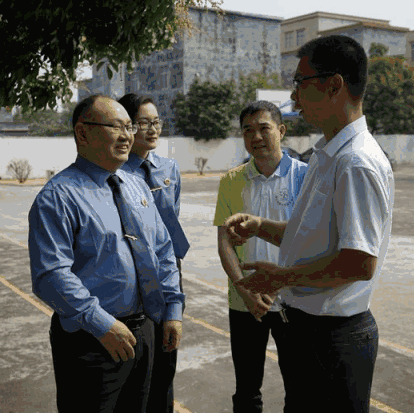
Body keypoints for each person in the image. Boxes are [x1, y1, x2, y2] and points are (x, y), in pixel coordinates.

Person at [222, 35, 395, 413]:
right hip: (310, 331)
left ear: (334, 85)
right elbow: (309, 237)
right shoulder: (326, 157)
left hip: (334, 339)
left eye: (300, 83)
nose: (294, 97)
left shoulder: (355, 163)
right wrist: (260, 226)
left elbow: (358, 263)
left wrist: (281, 277)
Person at [28, 94, 185, 413]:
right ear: (83, 133)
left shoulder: (136, 187)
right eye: (117, 127)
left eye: (130, 127)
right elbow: (50, 275)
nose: (127, 136)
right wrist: (101, 324)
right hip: (93, 338)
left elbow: (163, 250)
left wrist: (172, 309)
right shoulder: (58, 197)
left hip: (145, 332)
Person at [214, 100, 308, 413]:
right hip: (245, 302)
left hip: (294, 302)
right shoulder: (231, 180)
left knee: (299, 388)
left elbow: (312, 240)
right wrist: (245, 289)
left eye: (264, 128)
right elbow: (224, 242)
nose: (256, 136)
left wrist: (285, 281)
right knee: (246, 390)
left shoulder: (306, 177)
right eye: (247, 130)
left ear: (281, 130)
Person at [118, 93, 189, 413]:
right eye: (143, 123)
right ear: (126, 126)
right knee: (137, 357)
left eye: (156, 122)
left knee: (166, 353)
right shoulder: (118, 171)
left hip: (168, 267)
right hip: (133, 271)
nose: (152, 129)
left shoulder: (169, 168)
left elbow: (172, 218)